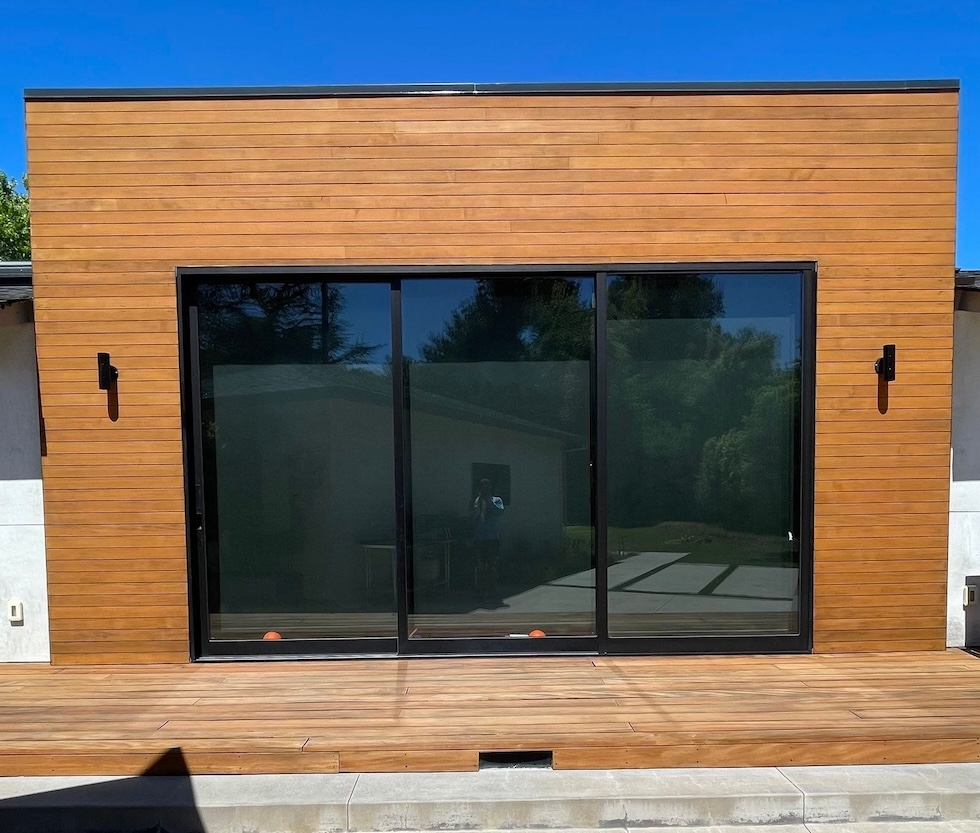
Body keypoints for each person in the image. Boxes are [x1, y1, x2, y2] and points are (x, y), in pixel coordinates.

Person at [472, 478, 504, 595]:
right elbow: (473, 517)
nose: (485, 489)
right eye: (483, 487)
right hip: (479, 538)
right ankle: (481, 589)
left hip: (492, 537)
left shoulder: (497, 500)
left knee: (492, 564)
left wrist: (488, 501)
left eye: (487, 487)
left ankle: (492, 589)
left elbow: (500, 512)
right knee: (480, 565)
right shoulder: (476, 501)